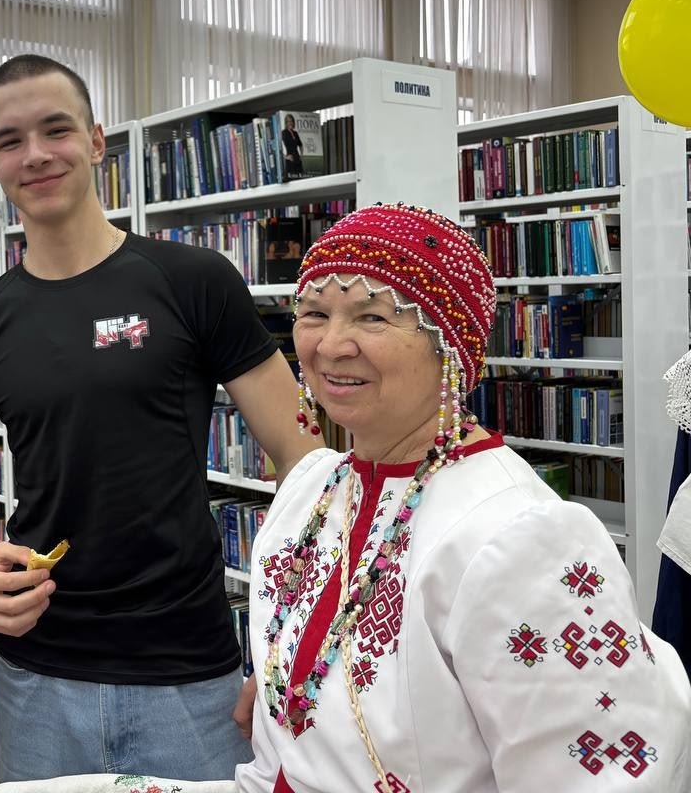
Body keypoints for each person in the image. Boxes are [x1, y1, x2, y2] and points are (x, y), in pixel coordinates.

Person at [0, 54, 319, 781]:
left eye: (55, 129)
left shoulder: (193, 282)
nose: (35, 154)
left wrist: (285, 643)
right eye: (10, 140)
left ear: (97, 140)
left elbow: (308, 461)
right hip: (37, 672)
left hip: (190, 673)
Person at [239, 202, 691, 792]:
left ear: (448, 344)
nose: (332, 345)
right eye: (314, 312)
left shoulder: (519, 537)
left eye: (375, 317)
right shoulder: (310, 492)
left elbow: (605, 776)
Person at [279, 114, 303, 181]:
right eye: (288, 121)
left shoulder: (295, 133)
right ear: (286, 123)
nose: (290, 123)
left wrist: (301, 155)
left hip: (297, 159)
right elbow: (277, 147)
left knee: (300, 180)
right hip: (290, 160)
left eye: (291, 121)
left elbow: (301, 145)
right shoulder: (284, 132)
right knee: (291, 180)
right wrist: (286, 157)